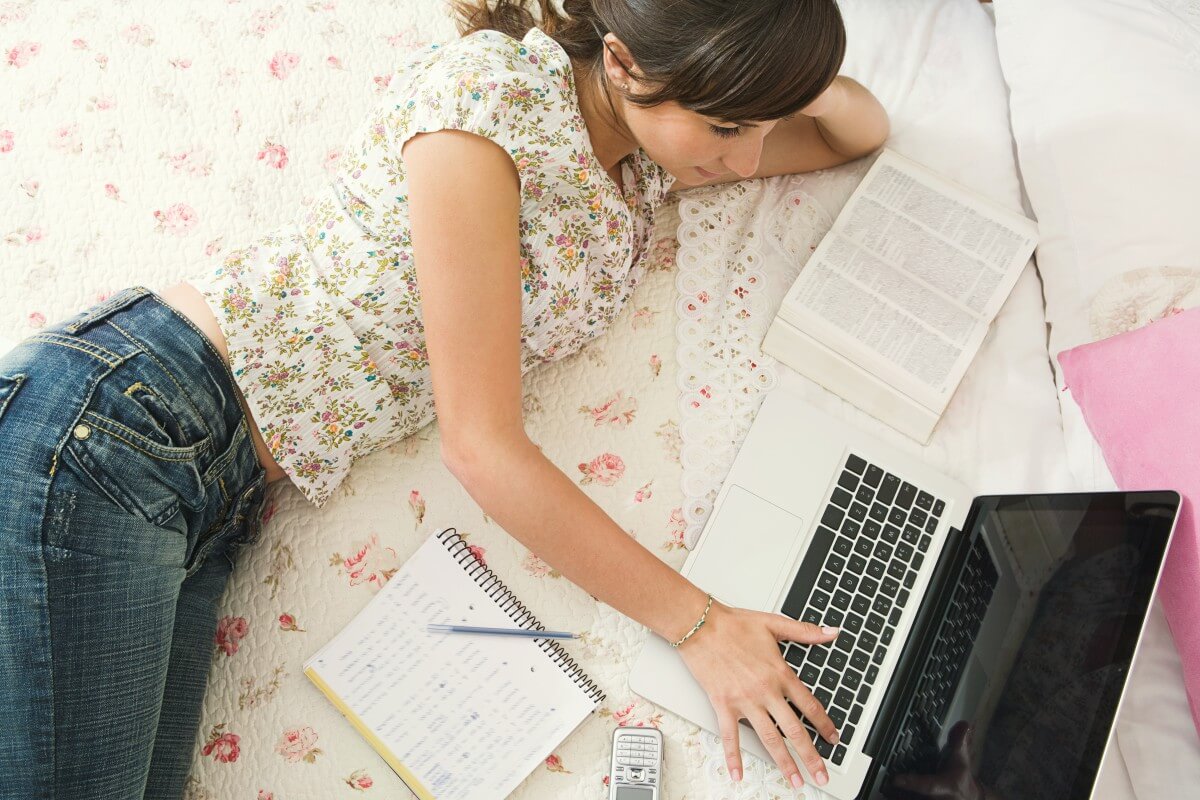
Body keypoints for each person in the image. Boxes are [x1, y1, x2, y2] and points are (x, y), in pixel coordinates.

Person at [0, 0, 889, 796]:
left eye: (762, 130)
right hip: (127, 426)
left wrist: (766, 66)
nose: (749, 158)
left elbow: (860, 127)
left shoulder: (648, 160)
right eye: (730, 127)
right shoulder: (493, 101)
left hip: (214, 502)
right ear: (621, 62)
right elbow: (483, 447)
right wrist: (701, 627)